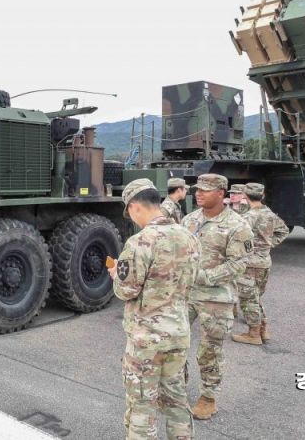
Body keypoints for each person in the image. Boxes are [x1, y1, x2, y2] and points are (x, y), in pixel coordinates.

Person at [110, 178, 198, 440]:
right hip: (178, 334)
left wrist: (116, 275)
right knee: (177, 401)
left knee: (141, 405)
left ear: (135, 206)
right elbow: (191, 279)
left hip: (146, 341)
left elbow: (126, 291)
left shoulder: (139, 242)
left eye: (130, 212)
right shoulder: (189, 237)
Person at [181, 173, 253, 420]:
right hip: (186, 294)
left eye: (205, 190)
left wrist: (202, 277)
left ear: (221, 193)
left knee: (209, 350)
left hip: (216, 298)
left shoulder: (237, 226)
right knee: (173, 343)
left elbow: (238, 264)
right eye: (197, 189)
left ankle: (208, 397)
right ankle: (177, 388)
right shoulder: (189, 220)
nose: (198, 193)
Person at [232, 183, 290, 346]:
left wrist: (248, 249)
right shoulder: (268, 213)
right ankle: (263, 330)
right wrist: (267, 245)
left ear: (245, 196)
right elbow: (283, 231)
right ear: (262, 195)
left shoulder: (248, 217)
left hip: (250, 263)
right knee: (255, 297)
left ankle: (253, 334)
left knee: (248, 300)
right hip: (264, 261)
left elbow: (238, 238)